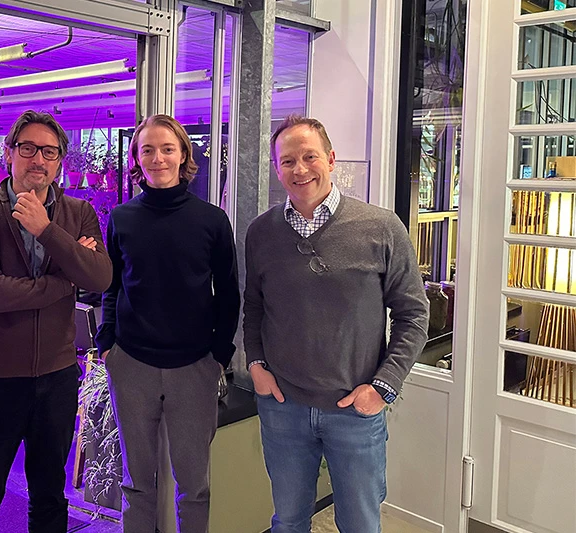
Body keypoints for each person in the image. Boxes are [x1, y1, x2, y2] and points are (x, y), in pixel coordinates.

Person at [243, 115, 429, 533]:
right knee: (288, 521)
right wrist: (256, 365)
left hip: (354, 410)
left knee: (360, 524)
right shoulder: (261, 232)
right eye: (288, 161)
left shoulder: (381, 227)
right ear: (277, 169)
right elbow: (253, 306)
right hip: (283, 408)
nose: (300, 169)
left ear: (330, 159)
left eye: (310, 157)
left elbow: (414, 315)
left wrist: (383, 386)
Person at [0, 110, 113, 533]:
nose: (37, 160)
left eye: (49, 151)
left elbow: (100, 278)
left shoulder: (78, 213)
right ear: (9, 154)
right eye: (27, 149)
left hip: (57, 378)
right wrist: (66, 281)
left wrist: (48, 231)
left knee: (49, 496)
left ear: (60, 161)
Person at [95, 114, 240, 533]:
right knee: (137, 483)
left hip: (194, 366)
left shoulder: (212, 220)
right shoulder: (122, 218)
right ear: (136, 159)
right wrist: (108, 344)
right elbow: (113, 284)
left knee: (194, 486)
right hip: (132, 364)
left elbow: (228, 294)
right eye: (147, 150)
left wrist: (218, 355)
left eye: (167, 149)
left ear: (183, 155)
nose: (157, 158)